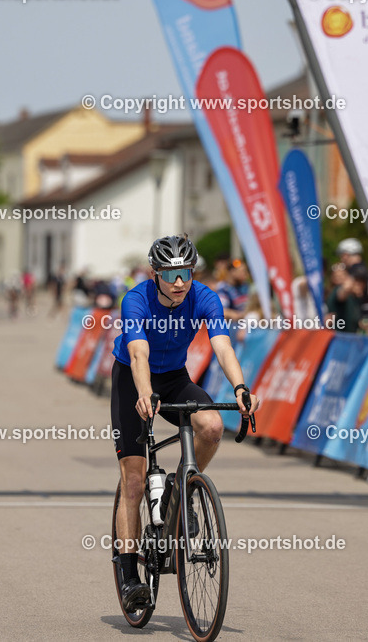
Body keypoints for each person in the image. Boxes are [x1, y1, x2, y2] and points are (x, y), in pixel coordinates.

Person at [110, 234, 260, 611]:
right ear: (155, 273)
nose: (180, 281)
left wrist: (240, 387)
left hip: (175, 375)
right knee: (133, 478)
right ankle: (130, 576)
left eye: (186, 272)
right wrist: (144, 393)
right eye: (172, 273)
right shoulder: (137, 299)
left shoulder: (205, 297)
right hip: (133, 377)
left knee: (211, 426)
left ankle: (181, 485)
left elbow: (222, 344)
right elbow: (138, 351)